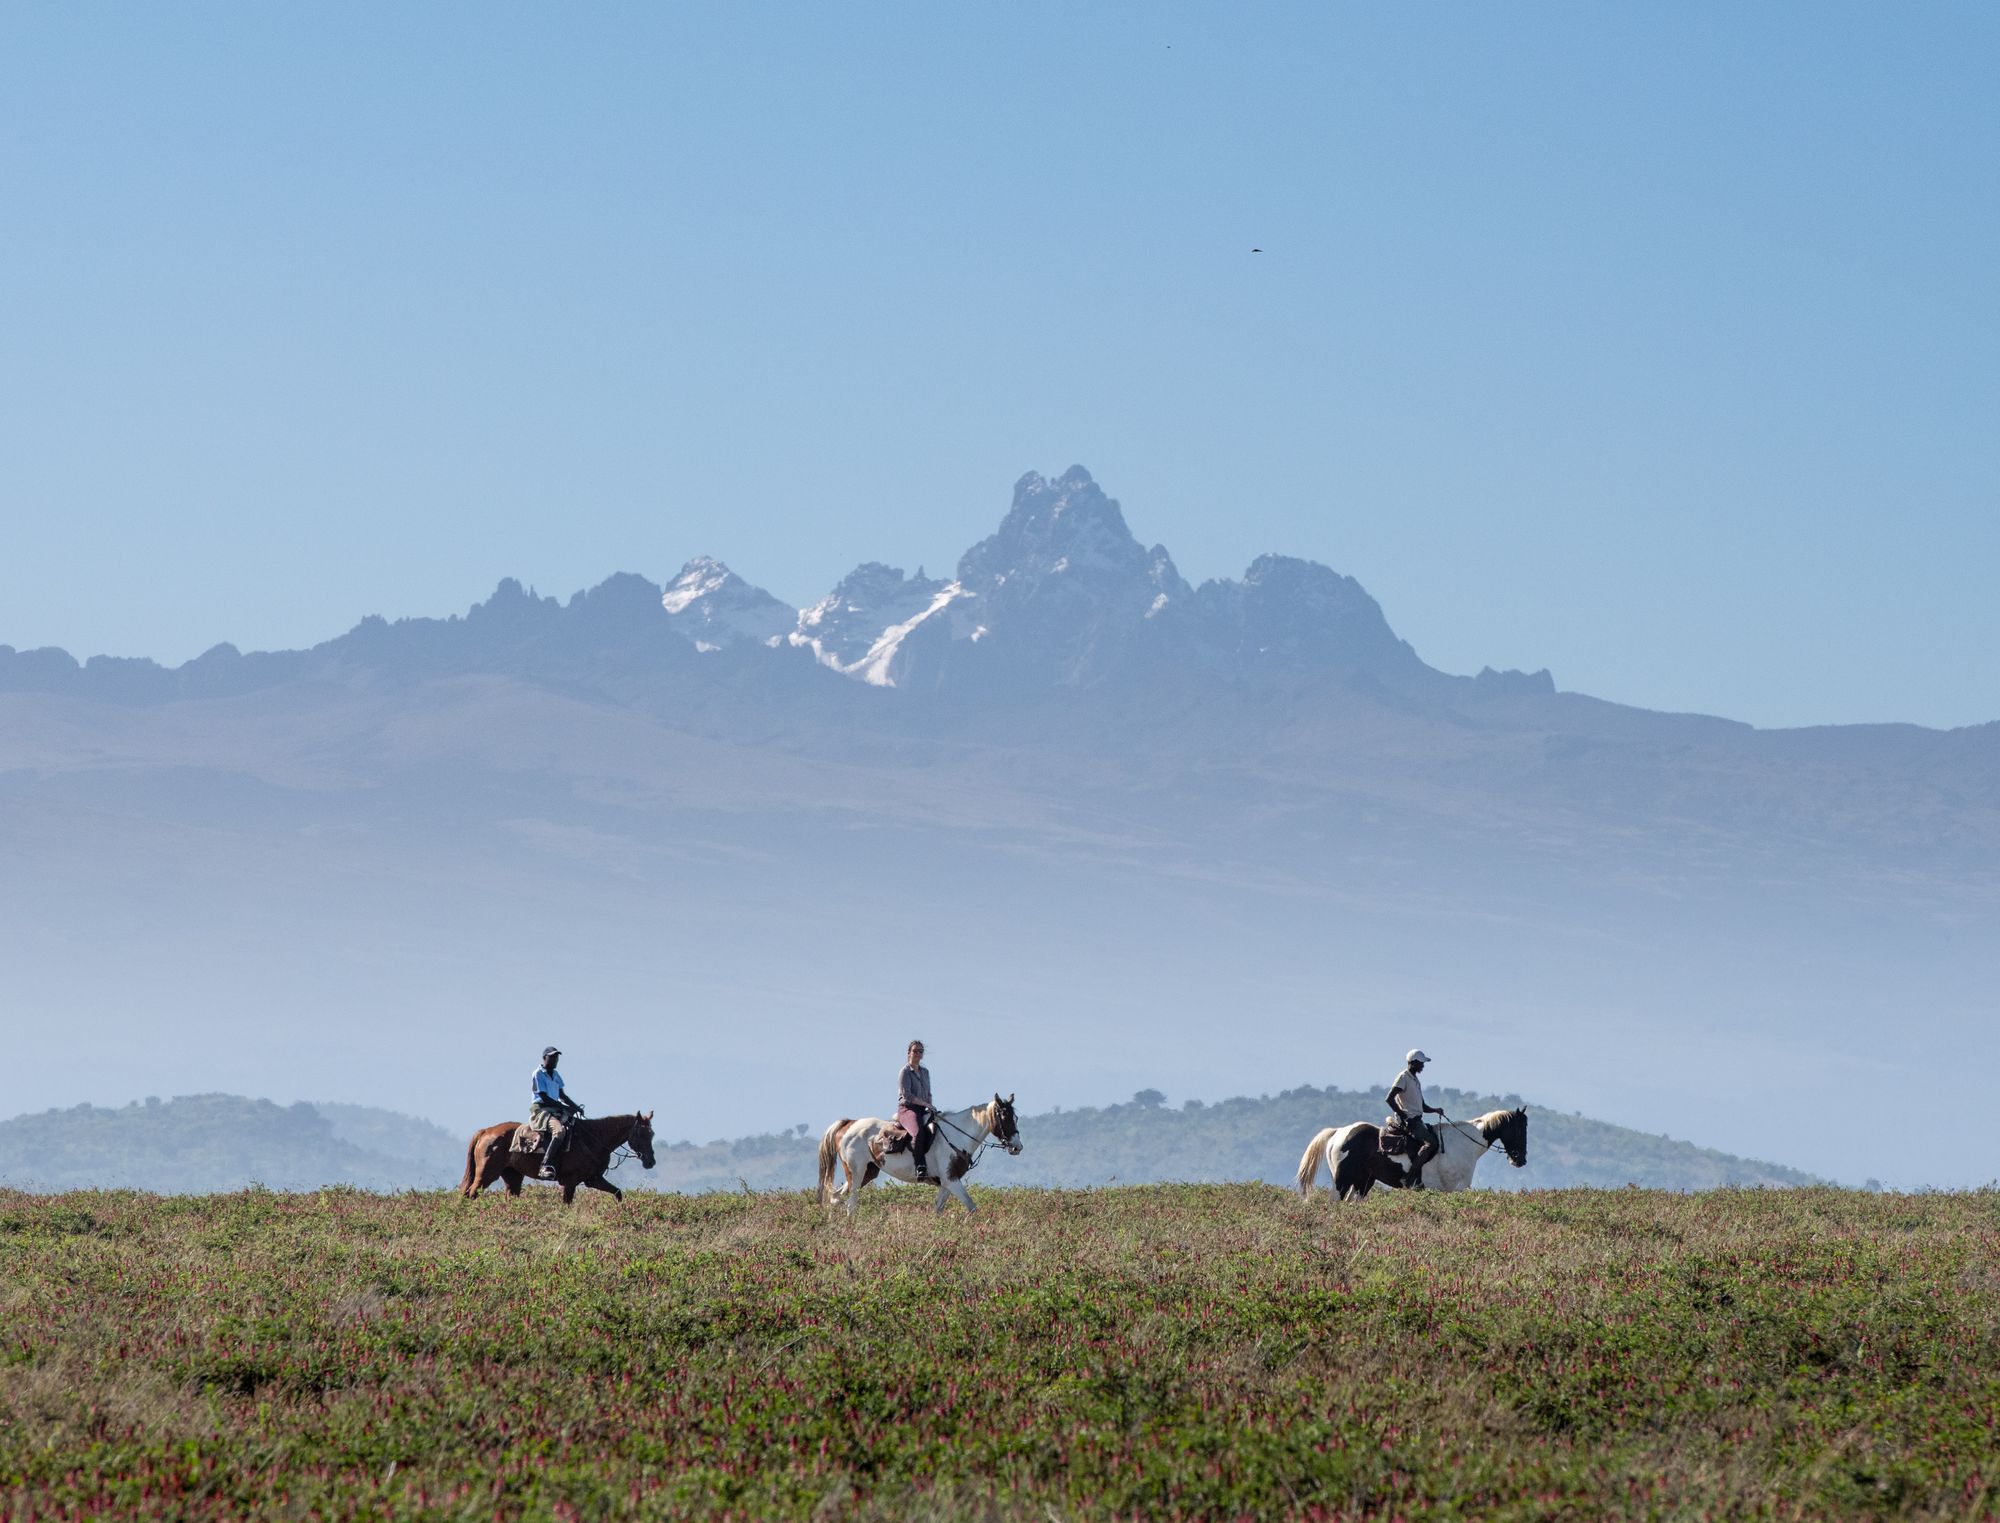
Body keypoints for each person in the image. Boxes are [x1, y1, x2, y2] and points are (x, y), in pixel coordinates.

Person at [1385, 1048, 1443, 1188]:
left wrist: (1435, 1110)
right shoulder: (1403, 1077)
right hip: (1409, 1121)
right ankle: (1409, 1177)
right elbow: (1389, 1099)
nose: (1423, 1066)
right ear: (1414, 1062)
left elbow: (1422, 1106)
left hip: (1417, 1119)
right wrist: (1402, 1114)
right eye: (1421, 1063)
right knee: (1431, 1143)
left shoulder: (1415, 1080)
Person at [530, 1046, 585, 1179]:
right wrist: (563, 1107)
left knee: (576, 1127)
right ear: (544, 1058)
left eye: (556, 1057)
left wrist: (575, 1107)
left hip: (555, 1109)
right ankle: (545, 1165)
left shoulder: (556, 1075)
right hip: (542, 1109)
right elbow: (543, 1097)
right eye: (552, 1057)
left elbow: (562, 1095)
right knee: (559, 1131)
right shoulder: (538, 1074)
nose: (555, 1060)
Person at [896, 1039, 935, 1183]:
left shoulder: (925, 1072)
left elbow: (928, 1092)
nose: (918, 1054)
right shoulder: (905, 1072)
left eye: (920, 1051)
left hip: (923, 1108)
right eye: (915, 1051)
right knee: (917, 1132)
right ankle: (920, 1165)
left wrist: (931, 1106)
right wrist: (925, 1104)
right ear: (909, 1053)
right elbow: (908, 1096)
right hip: (908, 1109)